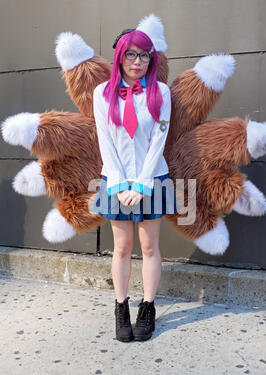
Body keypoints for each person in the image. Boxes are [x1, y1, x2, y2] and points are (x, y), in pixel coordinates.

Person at [91, 26, 176, 342]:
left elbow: (159, 141)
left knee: (150, 246)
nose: (137, 61)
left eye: (144, 55)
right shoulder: (102, 93)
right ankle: (121, 308)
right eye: (131, 54)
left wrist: (140, 185)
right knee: (122, 248)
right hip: (115, 180)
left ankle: (148, 307)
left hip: (151, 179)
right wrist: (120, 184)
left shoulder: (161, 93)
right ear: (120, 56)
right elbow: (105, 142)